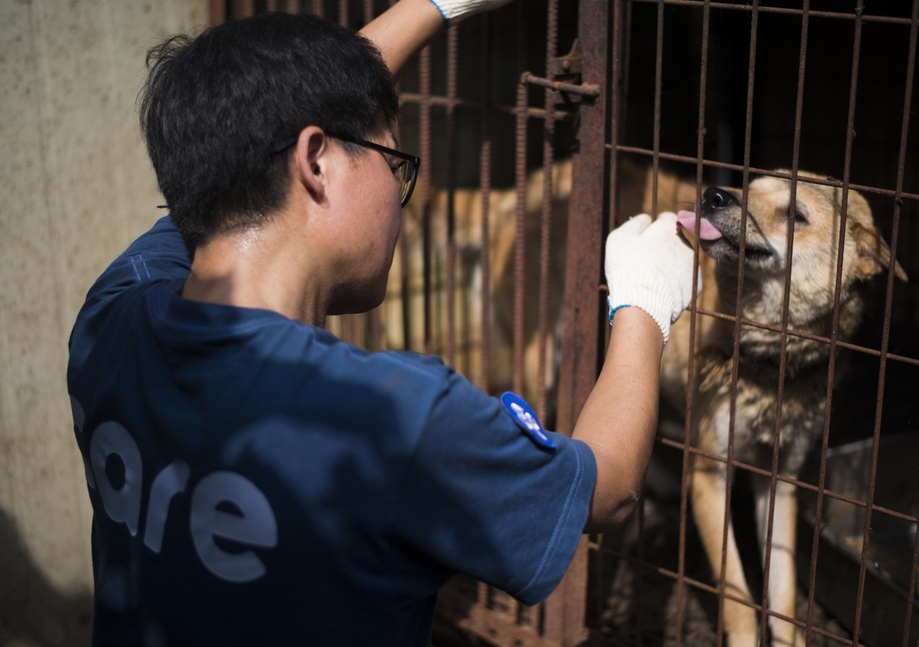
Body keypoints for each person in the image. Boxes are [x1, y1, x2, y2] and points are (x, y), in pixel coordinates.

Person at [66, 0, 698, 645]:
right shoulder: (394, 416)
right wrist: (643, 304)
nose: (402, 199)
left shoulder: (115, 312)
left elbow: (244, 148)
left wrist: (431, 6)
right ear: (315, 163)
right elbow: (607, 487)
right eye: (393, 162)